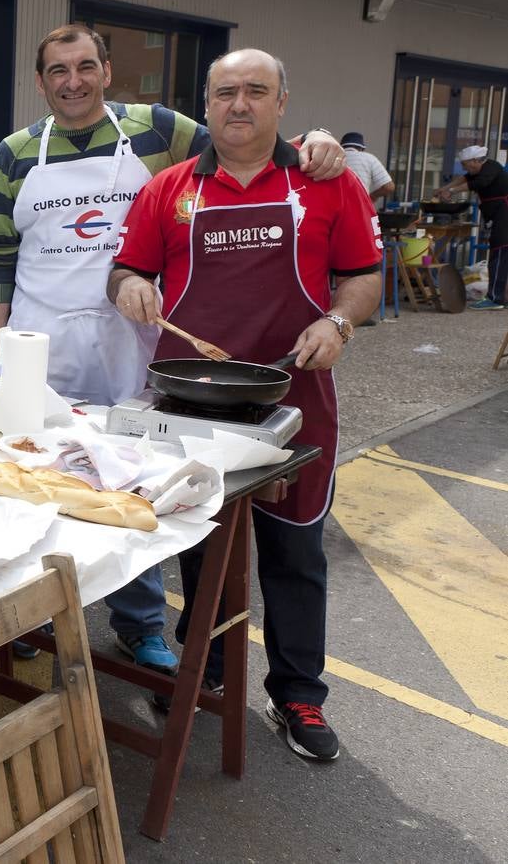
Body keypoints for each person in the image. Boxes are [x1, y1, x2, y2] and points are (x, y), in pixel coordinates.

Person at [0, 24, 346, 674]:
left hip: (131, 346)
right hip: (42, 349)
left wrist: (311, 145)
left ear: (105, 71)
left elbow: (243, 141)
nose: (72, 81)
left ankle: (140, 626)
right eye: (57, 71)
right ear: (39, 82)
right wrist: (0, 346)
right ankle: (27, 615)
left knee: (127, 489)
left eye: (85, 66)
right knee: (30, 481)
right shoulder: (12, 153)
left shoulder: (155, 129)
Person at [111, 49, 382, 761]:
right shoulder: (167, 188)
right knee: (203, 552)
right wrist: (128, 288)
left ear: (281, 103)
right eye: (225, 92)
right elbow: (126, 267)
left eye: (255, 92)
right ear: (205, 105)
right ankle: (208, 672)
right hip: (192, 401)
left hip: (294, 395)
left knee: (294, 555)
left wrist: (338, 322)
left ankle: (296, 694)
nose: (239, 105)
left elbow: (362, 278)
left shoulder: (325, 182)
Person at [435, 144, 508, 310]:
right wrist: (444, 188)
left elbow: (479, 183)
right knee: (502, 255)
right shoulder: (479, 170)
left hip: (504, 214)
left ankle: (495, 299)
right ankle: (502, 296)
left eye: (465, 164)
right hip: (498, 214)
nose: (463, 168)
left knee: (500, 254)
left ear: (476, 161)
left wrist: (451, 191)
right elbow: (466, 178)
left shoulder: (491, 167)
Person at [340, 131, 395, 206]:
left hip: (334, 208)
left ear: (341, 147)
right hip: (360, 207)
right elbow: (389, 187)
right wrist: (372, 197)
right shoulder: (369, 158)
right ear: (361, 148)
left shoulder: (332, 159)